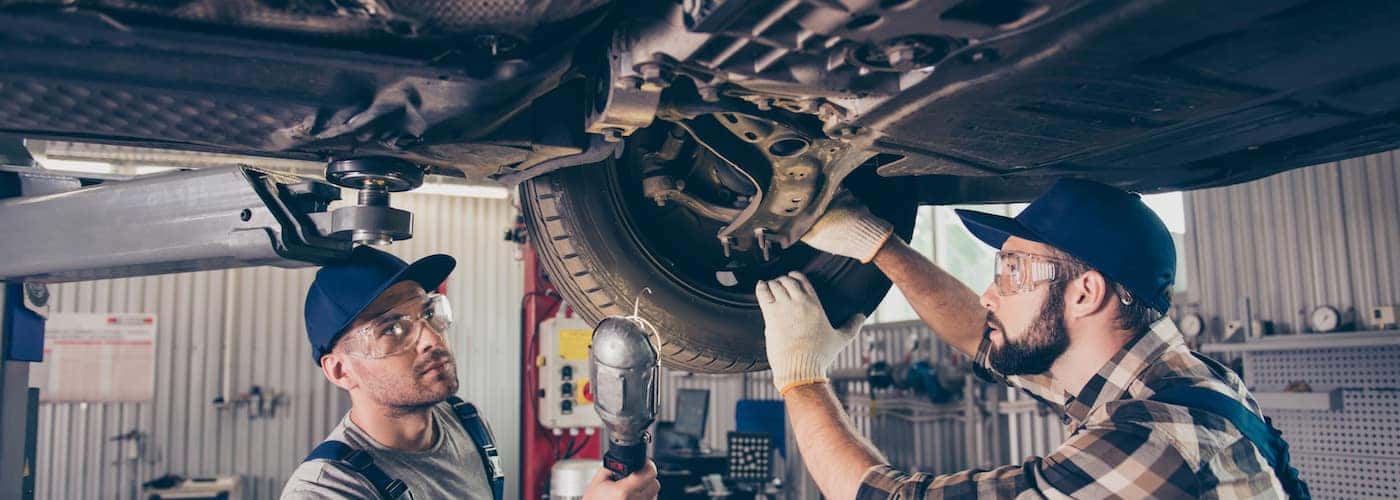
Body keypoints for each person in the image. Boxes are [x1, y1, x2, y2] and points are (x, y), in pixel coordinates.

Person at [756, 179, 1306, 498]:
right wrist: (878, 245)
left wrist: (801, 377)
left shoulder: (1154, 440)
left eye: (1013, 272)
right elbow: (982, 337)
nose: (989, 294)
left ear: (1085, 293)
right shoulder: (1172, 379)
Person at [281, 246, 659, 499]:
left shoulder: (467, 425)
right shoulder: (327, 490)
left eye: (428, 313)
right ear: (340, 370)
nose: (430, 339)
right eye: (392, 329)